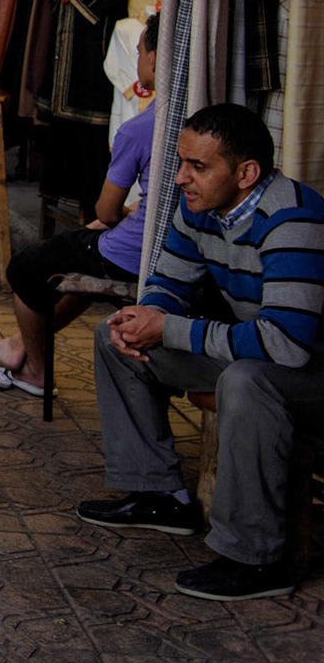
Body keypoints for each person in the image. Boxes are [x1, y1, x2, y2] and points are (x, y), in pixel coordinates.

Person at [77, 104, 324, 602]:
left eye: (198, 166)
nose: (181, 177)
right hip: (262, 354)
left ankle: (256, 558)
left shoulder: (292, 218)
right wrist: (144, 317)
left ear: (246, 173)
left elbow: (287, 343)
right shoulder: (200, 209)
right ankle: (160, 495)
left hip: (310, 369)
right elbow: (169, 283)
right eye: (182, 162)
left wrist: (169, 328)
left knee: (247, 380)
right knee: (114, 337)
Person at [0, 15, 160, 395]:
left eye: (138, 51)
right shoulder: (194, 118)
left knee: (26, 268)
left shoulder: (138, 129)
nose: (137, 58)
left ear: (152, 60)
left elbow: (105, 211)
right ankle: (20, 346)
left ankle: (35, 371)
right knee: (79, 269)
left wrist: (116, 219)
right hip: (158, 244)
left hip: (133, 251)